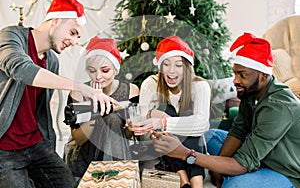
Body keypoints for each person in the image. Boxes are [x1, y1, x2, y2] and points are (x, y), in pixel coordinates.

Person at [152, 32, 300, 188]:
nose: (235, 81)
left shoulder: (278, 106)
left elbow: (242, 163)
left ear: (263, 75)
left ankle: (241, 174)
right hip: (258, 152)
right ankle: (231, 169)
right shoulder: (251, 91)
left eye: (242, 75)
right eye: (235, 73)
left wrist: (185, 154)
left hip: (284, 169)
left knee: (234, 185)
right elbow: (238, 131)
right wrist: (216, 171)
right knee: (209, 136)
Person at [0, 0, 116, 188]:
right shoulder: (11, 36)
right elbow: (21, 69)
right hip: (4, 148)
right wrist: (83, 88)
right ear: (55, 21)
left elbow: (40, 110)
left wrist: (48, 141)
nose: (73, 42)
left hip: (35, 143)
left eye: (77, 37)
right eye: (72, 33)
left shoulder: (52, 60)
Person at [132, 36, 211, 188]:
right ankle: (184, 177)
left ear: (187, 67)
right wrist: (151, 116)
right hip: (159, 146)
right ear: (160, 67)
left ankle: (195, 182)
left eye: (178, 65)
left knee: (189, 116)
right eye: (166, 64)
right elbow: (141, 125)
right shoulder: (150, 84)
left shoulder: (200, 86)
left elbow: (201, 125)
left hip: (191, 147)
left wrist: (163, 122)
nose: (171, 71)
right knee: (166, 109)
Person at [63, 36, 139, 184]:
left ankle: (114, 178)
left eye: (105, 70)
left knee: (113, 119)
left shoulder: (131, 91)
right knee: (108, 117)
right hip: (84, 154)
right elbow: (78, 139)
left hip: (118, 151)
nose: (98, 77)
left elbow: (129, 136)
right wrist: (95, 112)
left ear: (116, 69)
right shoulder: (78, 92)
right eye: (92, 71)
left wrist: (130, 127)